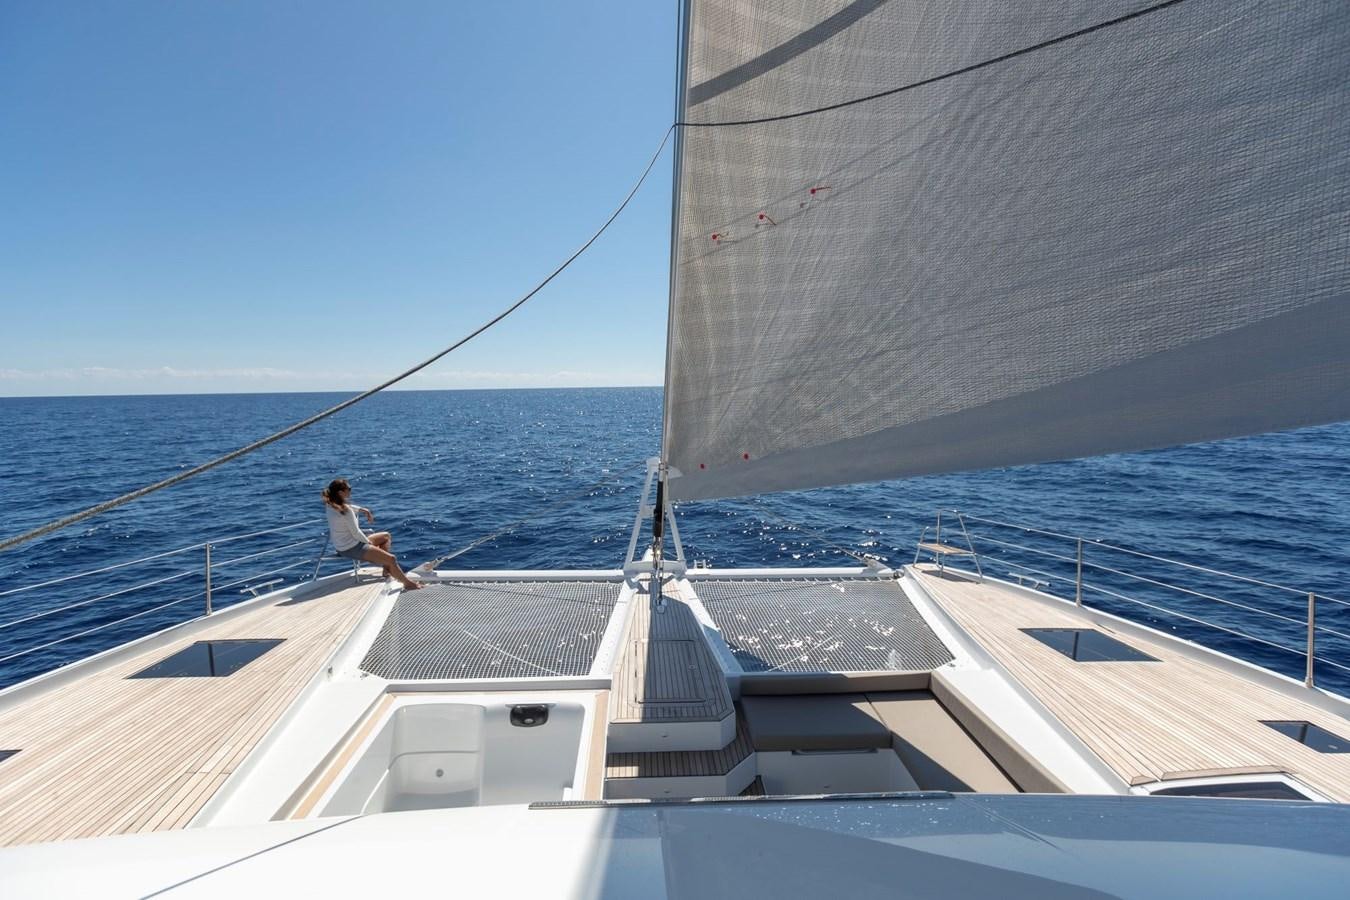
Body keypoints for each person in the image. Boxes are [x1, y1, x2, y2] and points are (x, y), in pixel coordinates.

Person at [321, 478, 423, 590]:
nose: (351, 491)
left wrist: (362, 510)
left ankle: (386, 570)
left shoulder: (330, 505)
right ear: (341, 493)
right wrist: (368, 542)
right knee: (391, 559)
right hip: (352, 547)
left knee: (386, 536)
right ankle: (407, 583)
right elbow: (356, 533)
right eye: (349, 489)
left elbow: (347, 508)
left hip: (341, 547)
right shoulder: (346, 511)